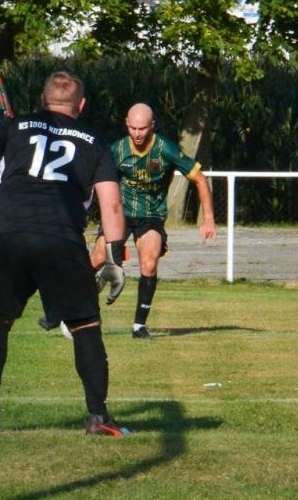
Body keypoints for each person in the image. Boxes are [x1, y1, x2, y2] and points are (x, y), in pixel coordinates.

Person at [0, 71, 131, 436]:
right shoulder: (96, 143)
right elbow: (111, 207)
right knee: (85, 325)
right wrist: (112, 259)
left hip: (7, 233)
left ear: (42, 100)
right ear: (81, 105)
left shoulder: (17, 126)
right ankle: (97, 417)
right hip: (60, 237)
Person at [90, 103, 216, 339]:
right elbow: (98, 183)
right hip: (121, 215)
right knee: (97, 257)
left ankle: (139, 326)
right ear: (127, 123)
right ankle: (72, 309)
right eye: (133, 128)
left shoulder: (165, 148)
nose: (137, 134)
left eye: (142, 129)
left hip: (151, 216)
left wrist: (208, 218)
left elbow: (199, 178)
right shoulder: (116, 150)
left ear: (152, 126)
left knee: (149, 262)